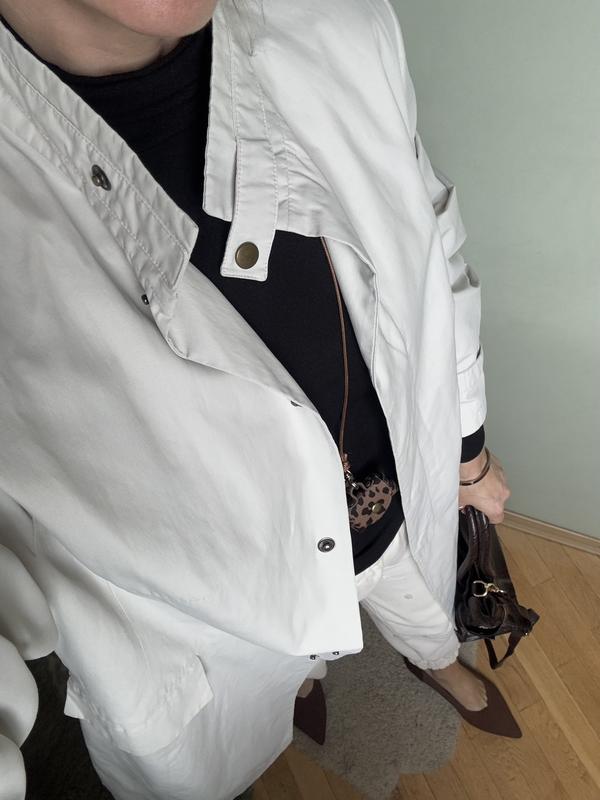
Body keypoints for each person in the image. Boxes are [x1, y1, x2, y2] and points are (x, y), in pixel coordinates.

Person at [0, 0, 514, 798]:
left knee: (418, 599)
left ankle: (438, 662)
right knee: (256, 706)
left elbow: (430, 234)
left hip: (393, 497)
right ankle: (299, 684)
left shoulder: (334, 21)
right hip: (219, 615)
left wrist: (468, 454)